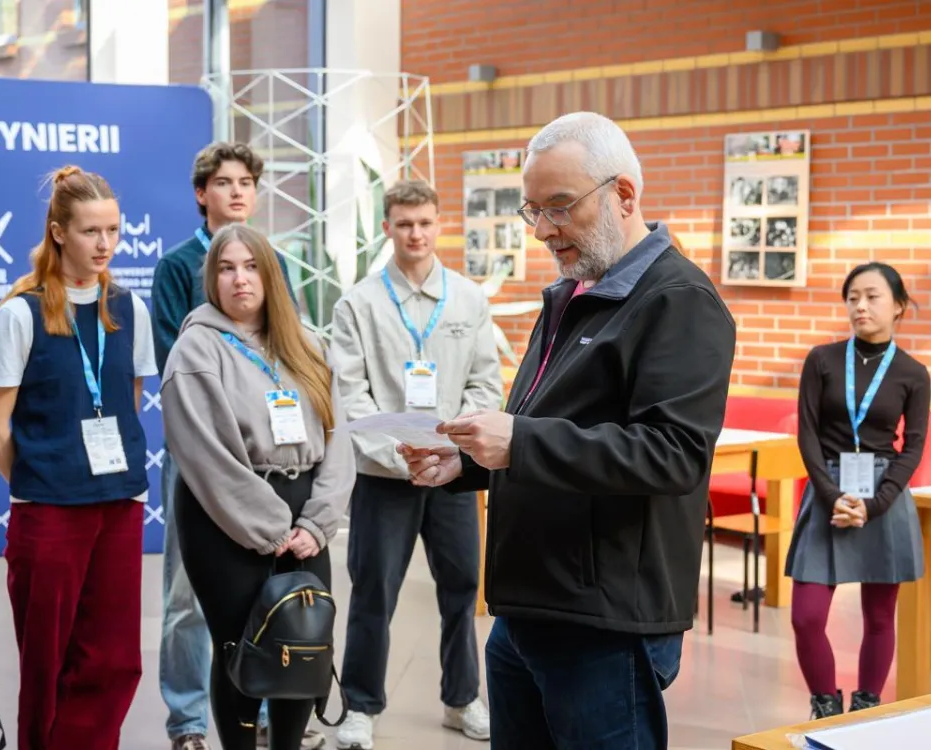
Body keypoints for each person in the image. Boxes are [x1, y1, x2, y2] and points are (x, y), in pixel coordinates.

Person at [399, 111, 737, 749]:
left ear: (624, 195)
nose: (544, 232)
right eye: (533, 211)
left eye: (559, 207)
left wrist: (518, 443)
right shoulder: (570, 293)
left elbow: (674, 455)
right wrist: (467, 462)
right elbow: (544, 427)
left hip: (604, 621)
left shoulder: (678, 301)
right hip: (530, 605)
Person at [0, 166, 156, 749]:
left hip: (119, 506)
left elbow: (126, 403)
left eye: (113, 231)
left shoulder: (130, 309)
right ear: (58, 232)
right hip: (49, 512)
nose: (104, 244)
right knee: (47, 667)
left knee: (114, 662)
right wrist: (41, 479)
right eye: (90, 231)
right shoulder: (20, 314)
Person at [161, 223, 354, 750]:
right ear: (212, 279)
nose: (239, 279)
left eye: (250, 267)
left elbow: (339, 440)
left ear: (270, 274)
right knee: (242, 653)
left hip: (305, 514)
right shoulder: (196, 350)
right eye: (226, 268)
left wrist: (317, 522)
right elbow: (207, 458)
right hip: (226, 519)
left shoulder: (308, 345)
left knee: (303, 645)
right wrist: (272, 529)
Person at [151, 141, 315, 750]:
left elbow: (290, 356)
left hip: (276, 463)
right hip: (206, 462)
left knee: (273, 593)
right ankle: (189, 721)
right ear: (202, 193)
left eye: (247, 181)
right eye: (224, 182)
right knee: (189, 598)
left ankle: (268, 706)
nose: (238, 191)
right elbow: (182, 364)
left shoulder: (277, 263)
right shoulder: (176, 267)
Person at [331, 180, 502, 749]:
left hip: (454, 473)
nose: (416, 233)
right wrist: (399, 453)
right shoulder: (358, 303)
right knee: (373, 592)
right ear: (387, 228)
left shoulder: (469, 300)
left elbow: (485, 382)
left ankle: (462, 699)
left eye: (425, 222)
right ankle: (360, 707)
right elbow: (351, 396)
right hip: (387, 478)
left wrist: (454, 449)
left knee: (462, 586)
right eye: (404, 223)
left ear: (438, 223)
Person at [786, 262, 929, 719]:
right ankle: (826, 707)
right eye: (852, 297)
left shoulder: (913, 373)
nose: (860, 306)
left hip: (883, 500)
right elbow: (807, 435)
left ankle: (865, 708)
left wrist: (874, 504)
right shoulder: (822, 360)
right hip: (828, 491)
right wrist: (832, 496)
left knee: (881, 616)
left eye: (872, 296)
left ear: (899, 306)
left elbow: (914, 447)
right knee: (806, 616)